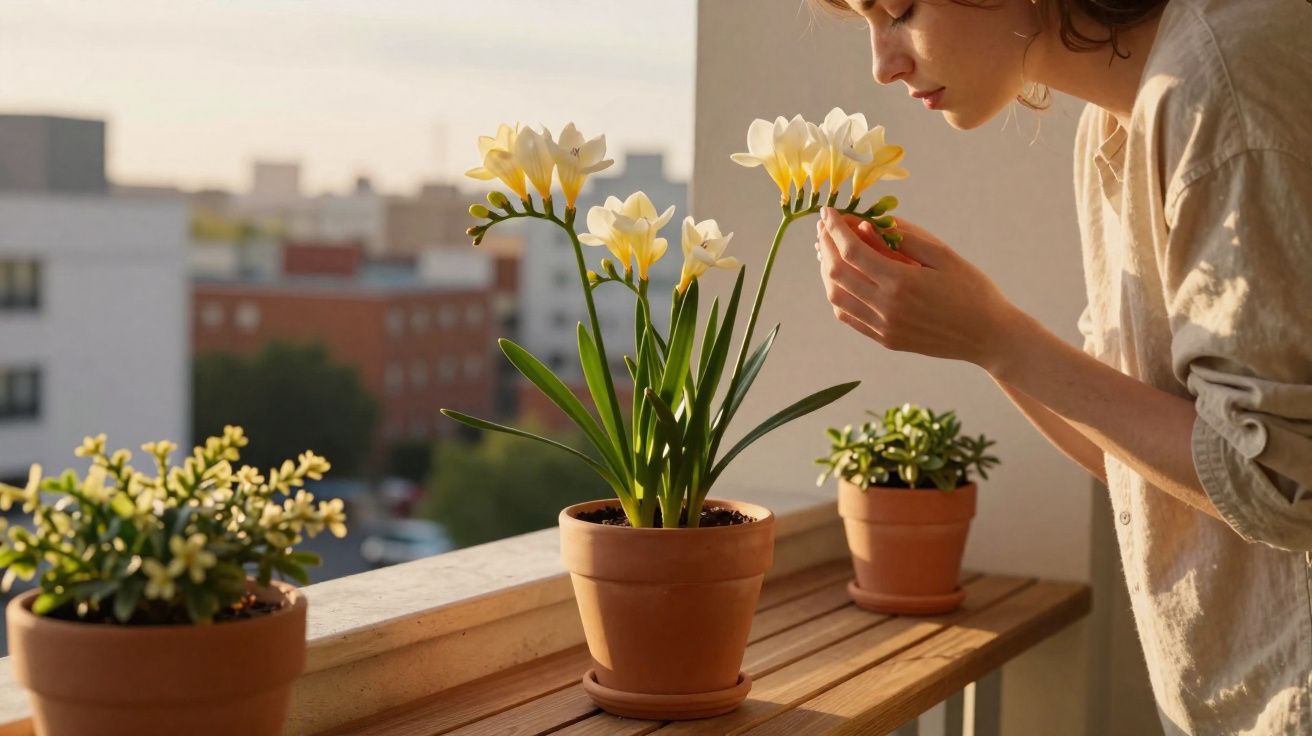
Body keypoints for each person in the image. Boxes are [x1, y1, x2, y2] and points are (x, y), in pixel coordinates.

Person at [809, 0, 1312, 733]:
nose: (883, 64)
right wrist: (975, 336)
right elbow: (1134, 456)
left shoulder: (1217, 83)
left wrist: (1001, 337)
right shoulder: (1112, 126)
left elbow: (1279, 477)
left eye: (899, 10)